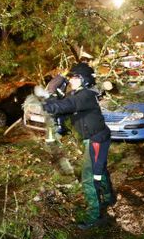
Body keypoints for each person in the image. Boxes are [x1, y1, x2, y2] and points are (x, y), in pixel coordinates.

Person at [42, 62, 115, 230]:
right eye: (72, 78)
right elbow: (63, 105)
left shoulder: (85, 95)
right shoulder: (78, 94)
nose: (72, 80)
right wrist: (54, 96)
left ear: (84, 80)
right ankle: (108, 197)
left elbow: (67, 105)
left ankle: (94, 216)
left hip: (96, 139)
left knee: (89, 178)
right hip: (99, 136)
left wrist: (44, 106)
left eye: (75, 78)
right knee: (100, 170)